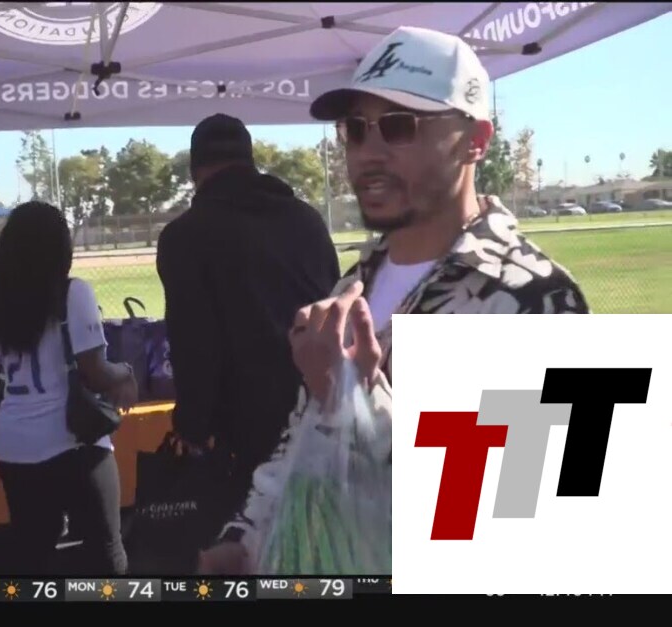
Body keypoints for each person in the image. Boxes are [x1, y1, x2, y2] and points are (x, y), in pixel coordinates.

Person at [199, 26, 590, 574]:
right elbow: (299, 442)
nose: (369, 153)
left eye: (399, 126)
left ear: (475, 140)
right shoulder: (352, 285)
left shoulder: (535, 298)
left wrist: (358, 399)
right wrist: (244, 541)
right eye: (355, 130)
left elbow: (526, 521)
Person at [156, 113, 341, 527]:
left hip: (243, 438)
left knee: (246, 546)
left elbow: (194, 343)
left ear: (195, 171)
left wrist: (192, 425)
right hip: (321, 418)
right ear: (251, 161)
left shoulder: (186, 235)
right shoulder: (308, 221)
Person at [0, 201, 137, 576]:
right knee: (106, 554)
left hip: (13, 445)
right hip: (71, 442)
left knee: (32, 556)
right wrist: (126, 372)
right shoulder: (73, 292)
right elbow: (95, 372)